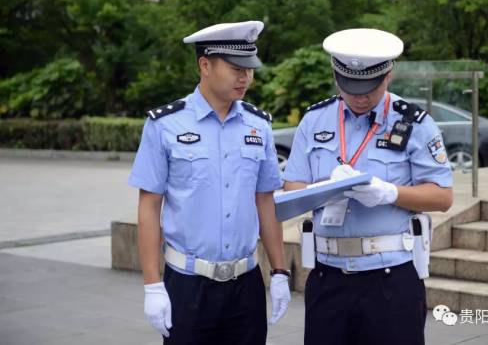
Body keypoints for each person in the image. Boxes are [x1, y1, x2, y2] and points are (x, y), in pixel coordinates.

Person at [282, 28, 453, 345]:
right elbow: (294, 187)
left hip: (389, 278)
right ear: (336, 77)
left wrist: (392, 193)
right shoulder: (315, 120)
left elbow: (442, 196)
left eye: (368, 88)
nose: (359, 97)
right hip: (327, 275)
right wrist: (322, 189)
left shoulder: (414, 123)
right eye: (350, 87)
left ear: (389, 75)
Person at [129, 20, 291, 345]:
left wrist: (279, 271)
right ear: (205, 65)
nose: (246, 77)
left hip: (245, 286)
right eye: (236, 68)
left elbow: (265, 202)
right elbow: (149, 206)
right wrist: (152, 284)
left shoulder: (258, 126)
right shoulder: (165, 125)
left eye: (250, 69)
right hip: (189, 285)